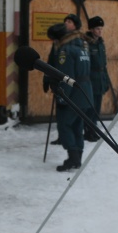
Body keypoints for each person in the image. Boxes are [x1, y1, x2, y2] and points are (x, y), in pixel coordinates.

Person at [43, 19, 93, 172]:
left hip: (73, 95)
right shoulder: (82, 47)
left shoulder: (65, 51)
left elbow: (67, 77)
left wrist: (61, 96)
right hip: (85, 93)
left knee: (65, 125)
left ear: (58, 38)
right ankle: (77, 157)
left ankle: (73, 158)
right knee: (77, 126)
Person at [85, 16, 111, 142]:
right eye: (97, 29)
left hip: (100, 79)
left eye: (101, 28)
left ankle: (93, 129)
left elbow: (103, 65)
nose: (100, 31)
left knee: (97, 108)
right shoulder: (87, 43)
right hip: (91, 79)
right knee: (90, 108)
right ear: (91, 29)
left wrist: (105, 80)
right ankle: (88, 131)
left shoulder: (100, 43)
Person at [44, 22, 68, 145]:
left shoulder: (68, 47)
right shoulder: (56, 46)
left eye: (54, 39)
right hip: (58, 83)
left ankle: (68, 139)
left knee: (67, 113)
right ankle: (62, 137)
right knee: (60, 113)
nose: (53, 41)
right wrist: (46, 79)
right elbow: (51, 63)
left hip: (67, 84)